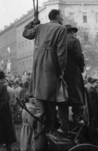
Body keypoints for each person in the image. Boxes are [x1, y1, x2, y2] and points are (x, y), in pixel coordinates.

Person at [23, 9, 67, 150]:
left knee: (40, 97)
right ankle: (47, 134)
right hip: (50, 63)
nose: (63, 17)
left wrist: (32, 22)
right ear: (58, 16)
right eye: (62, 15)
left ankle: (39, 134)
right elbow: (61, 52)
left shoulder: (40, 27)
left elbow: (26, 33)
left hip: (38, 63)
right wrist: (61, 71)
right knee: (50, 100)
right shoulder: (61, 28)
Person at [58, 24, 85, 131]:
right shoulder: (74, 41)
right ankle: (77, 117)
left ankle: (63, 124)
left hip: (61, 74)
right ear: (70, 32)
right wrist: (81, 67)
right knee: (77, 94)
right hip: (73, 72)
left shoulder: (58, 42)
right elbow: (79, 56)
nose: (74, 34)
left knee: (62, 98)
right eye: (74, 32)